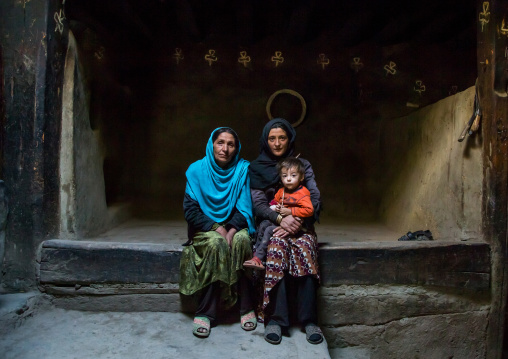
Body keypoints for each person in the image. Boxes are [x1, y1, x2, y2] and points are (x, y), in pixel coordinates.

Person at [249, 118, 323, 345]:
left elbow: (315, 197)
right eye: (272, 138)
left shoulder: (302, 165)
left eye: (282, 138)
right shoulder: (257, 168)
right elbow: (259, 204)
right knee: (276, 249)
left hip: (301, 224)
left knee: (305, 247)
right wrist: (281, 218)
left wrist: (297, 220)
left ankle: (309, 320)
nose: (277, 143)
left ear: (289, 138)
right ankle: (276, 319)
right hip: (272, 224)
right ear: (265, 140)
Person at [179, 127, 257, 338]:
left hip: (236, 226)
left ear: (237, 148)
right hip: (205, 228)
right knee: (216, 243)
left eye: (231, 144)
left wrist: (230, 230)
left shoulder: (243, 170)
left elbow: (245, 208)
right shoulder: (196, 170)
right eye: (220, 142)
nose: (225, 149)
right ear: (211, 144)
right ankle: (206, 312)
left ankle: (246, 307)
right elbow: (191, 210)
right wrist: (217, 228)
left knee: (241, 242)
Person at [243, 156, 314, 270]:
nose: (289, 179)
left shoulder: (302, 193)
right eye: (285, 176)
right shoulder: (282, 191)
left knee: (268, 231)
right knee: (264, 224)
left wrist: (291, 211)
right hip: (280, 220)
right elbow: (274, 201)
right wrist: (273, 207)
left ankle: (259, 258)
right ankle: (257, 250)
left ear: (302, 177)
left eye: (293, 176)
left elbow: (309, 210)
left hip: (296, 224)